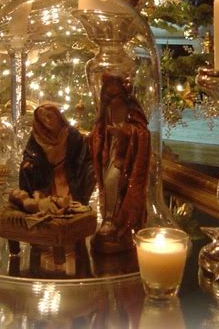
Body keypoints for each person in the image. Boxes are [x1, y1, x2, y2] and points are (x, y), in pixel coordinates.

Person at [88, 73, 151, 253]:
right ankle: (108, 218)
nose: (111, 100)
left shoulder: (131, 111)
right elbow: (99, 130)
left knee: (113, 181)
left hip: (125, 156)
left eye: (114, 95)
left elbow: (142, 132)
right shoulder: (106, 111)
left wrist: (124, 133)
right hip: (108, 152)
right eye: (107, 96)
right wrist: (95, 138)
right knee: (106, 184)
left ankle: (118, 220)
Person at [19, 104, 95, 205]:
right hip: (46, 175)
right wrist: (29, 162)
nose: (47, 121)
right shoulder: (37, 137)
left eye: (50, 116)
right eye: (43, 119)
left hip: (69, 174)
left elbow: (83, 155)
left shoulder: (71, 134)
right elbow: (30, 153)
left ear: (58, 116)